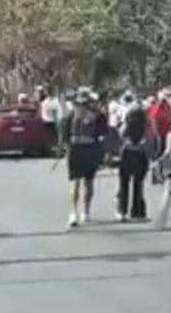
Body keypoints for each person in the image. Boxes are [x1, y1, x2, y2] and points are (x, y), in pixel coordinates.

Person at [62, 91, 108, 228]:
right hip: (78, 150)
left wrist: (102, 151)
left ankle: (85, 211)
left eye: (84, 103)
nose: (82, 106)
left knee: (87, 183)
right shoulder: (71, 116)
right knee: (77, 183)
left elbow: (103, 133)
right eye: (80, 103)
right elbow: (64, 134)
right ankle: (74, 213)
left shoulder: (96, 115)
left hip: (88, 150)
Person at [115, 92, 153, 222]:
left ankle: (122, 211)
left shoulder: (127, 123)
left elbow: (120, 135)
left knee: (124, 183)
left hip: (127, 153)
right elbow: (150, 138)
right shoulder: (145, 124)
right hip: (140, 154)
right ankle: (137, 212)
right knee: (138, 184)